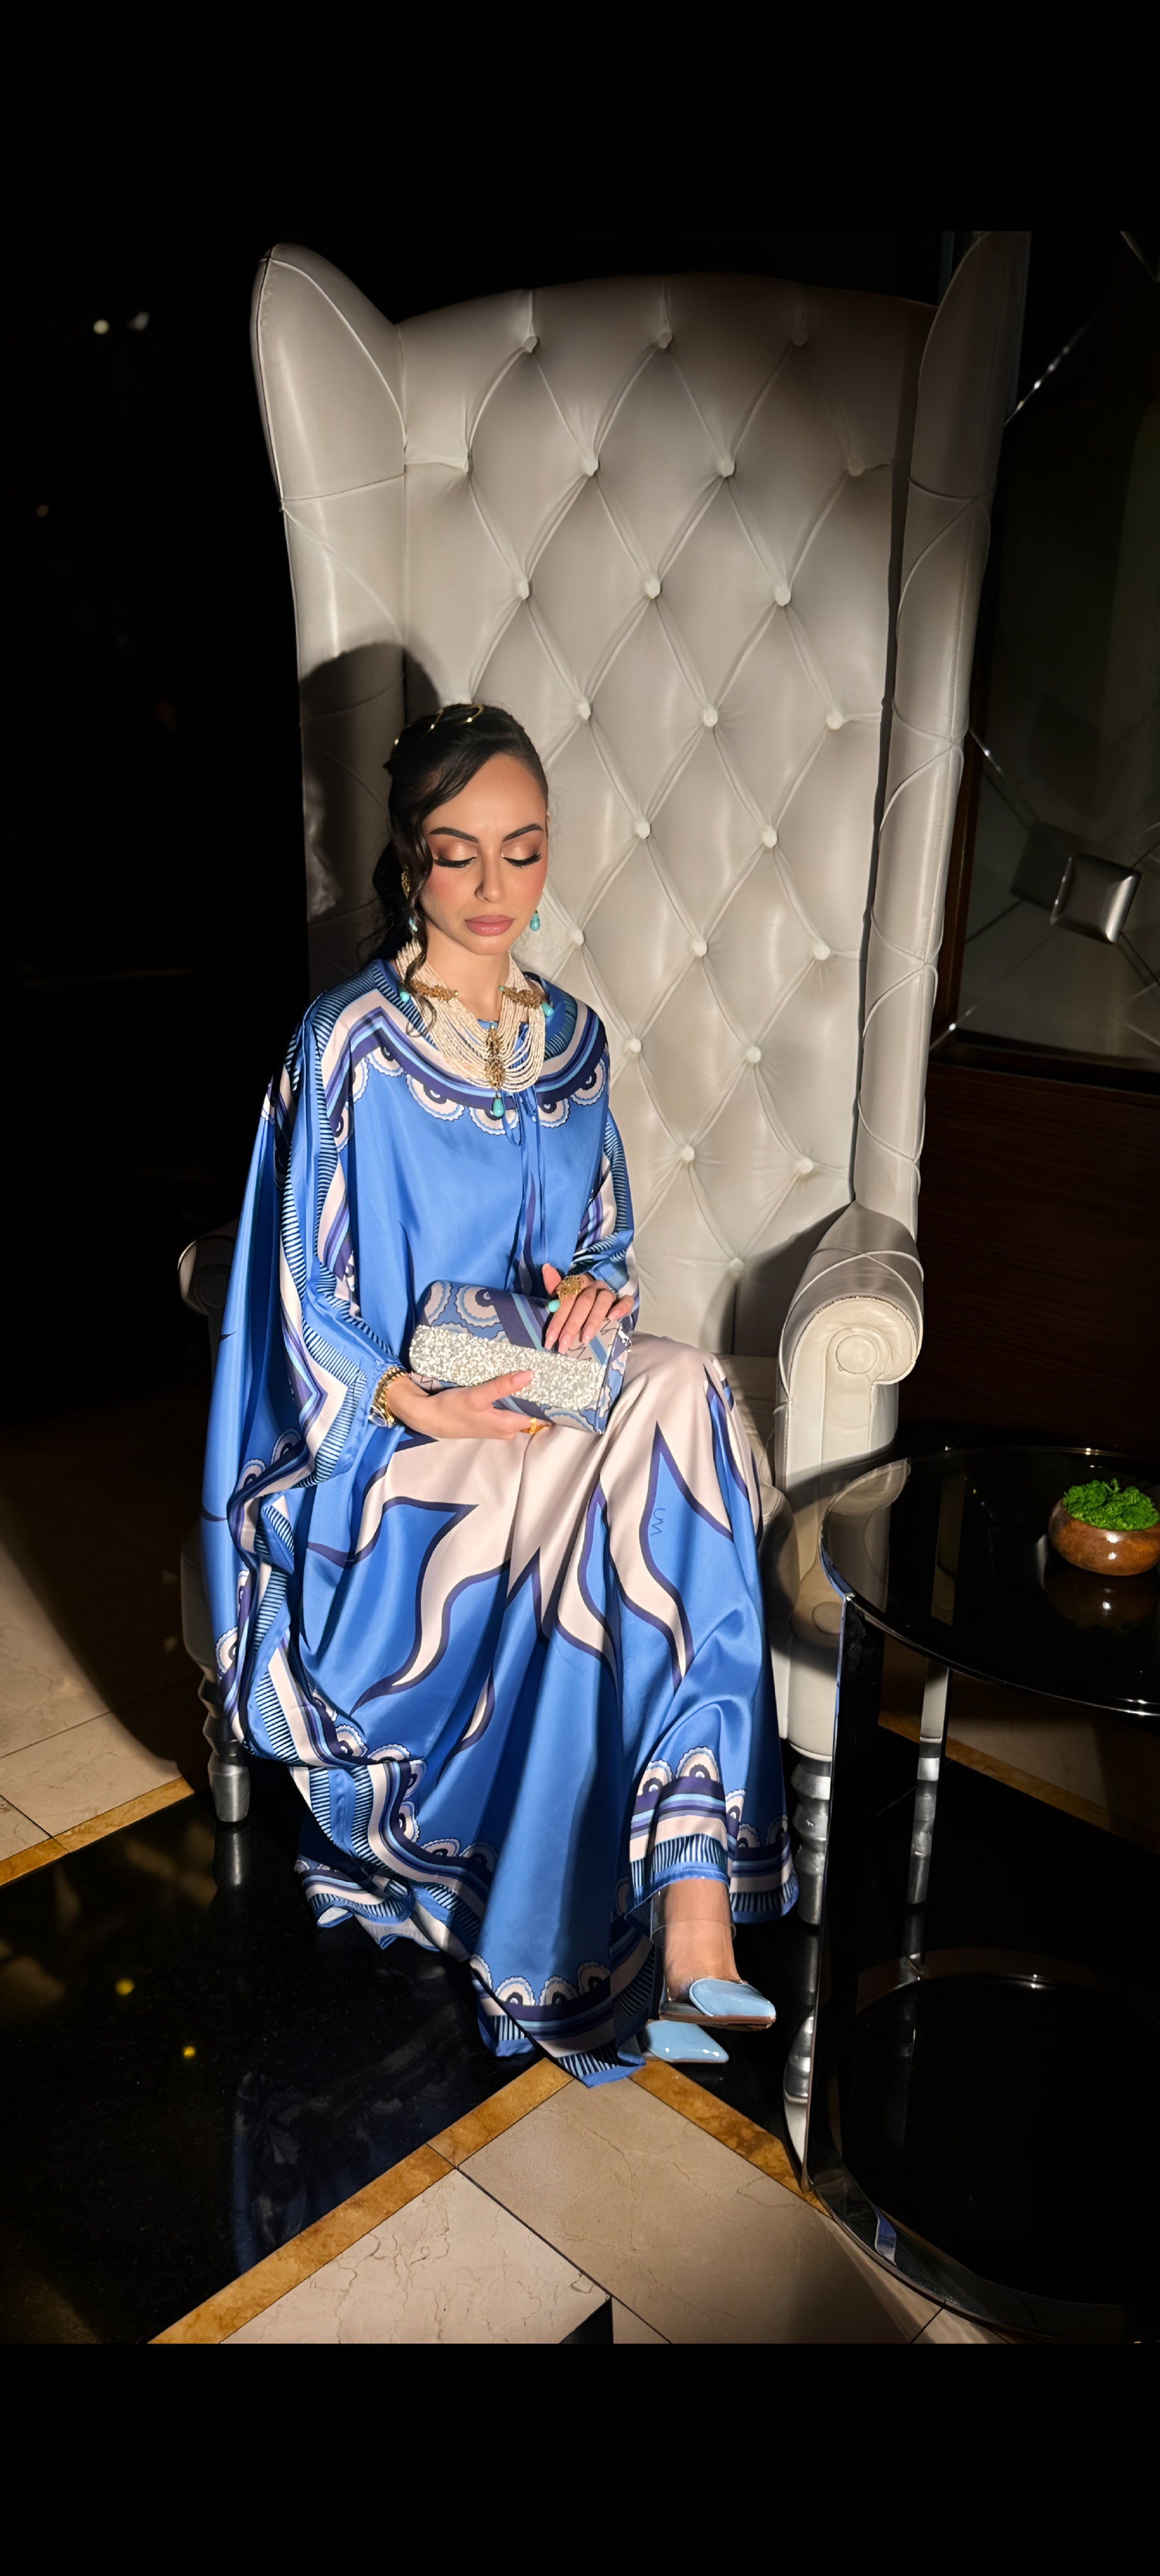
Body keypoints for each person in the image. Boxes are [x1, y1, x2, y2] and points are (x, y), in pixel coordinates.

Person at [204, 701, 793, 2082]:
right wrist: (412, 1401)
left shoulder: (576, 1042)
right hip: (391, 1457)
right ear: (408, 855)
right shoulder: (346, 1047)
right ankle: (690, 1911)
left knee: (679, 1383)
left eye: (521, 851)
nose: (492, 887)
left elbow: (601, 1243)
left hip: (538, 1402)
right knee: (674, 1425)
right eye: (456, 853)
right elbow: (295, 1296)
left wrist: (590, 1292)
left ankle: (692, 1924)